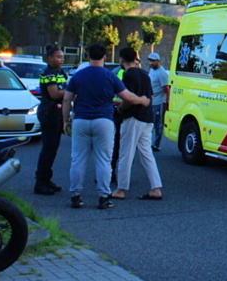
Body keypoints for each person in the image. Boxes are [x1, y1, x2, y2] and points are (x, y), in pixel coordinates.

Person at [62, 43, 150, 209]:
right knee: (104, 160)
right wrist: (143, 100)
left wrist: (66, 121)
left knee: (78, 159)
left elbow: (67, 99)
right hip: (104, 120)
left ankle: (76, 196)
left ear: (88, 57)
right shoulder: (110, 76)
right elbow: (128, 97)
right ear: (104, 57)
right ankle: (103, 196)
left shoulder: (78, 76)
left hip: (81, 120)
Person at [110, 47, 163, 201]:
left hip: (133, 118)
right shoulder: (145, 74)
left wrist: (120, 109)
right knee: (147, 154)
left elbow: (128, 99)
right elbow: (150, 95)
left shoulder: (129, 74)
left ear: (121, 60)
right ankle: (155, 187)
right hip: (147, 118)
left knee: (125, 154)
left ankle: (120, 189)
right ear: (135, 59)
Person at [34, 46, 67, 195]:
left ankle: (47, 179)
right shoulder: (47, 74)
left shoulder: (59, 72)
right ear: (50, 58)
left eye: (62, 57)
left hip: (57, 113)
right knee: (48, 149)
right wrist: (72, 91)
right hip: (49, 113)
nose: (62, 59)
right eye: (59, 57)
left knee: (53, 149)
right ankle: (40, 182)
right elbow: (54, 94)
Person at [148, 52, 170, 151]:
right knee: (149, 123)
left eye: (153, 61)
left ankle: (156, 144)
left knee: (158, 124)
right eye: (150, 61)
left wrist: (168, 101)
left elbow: (167, 88)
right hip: (151, 101)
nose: (151, 63)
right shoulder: (151, 71)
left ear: (158, 61)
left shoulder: (162, 73)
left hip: (159, 102)